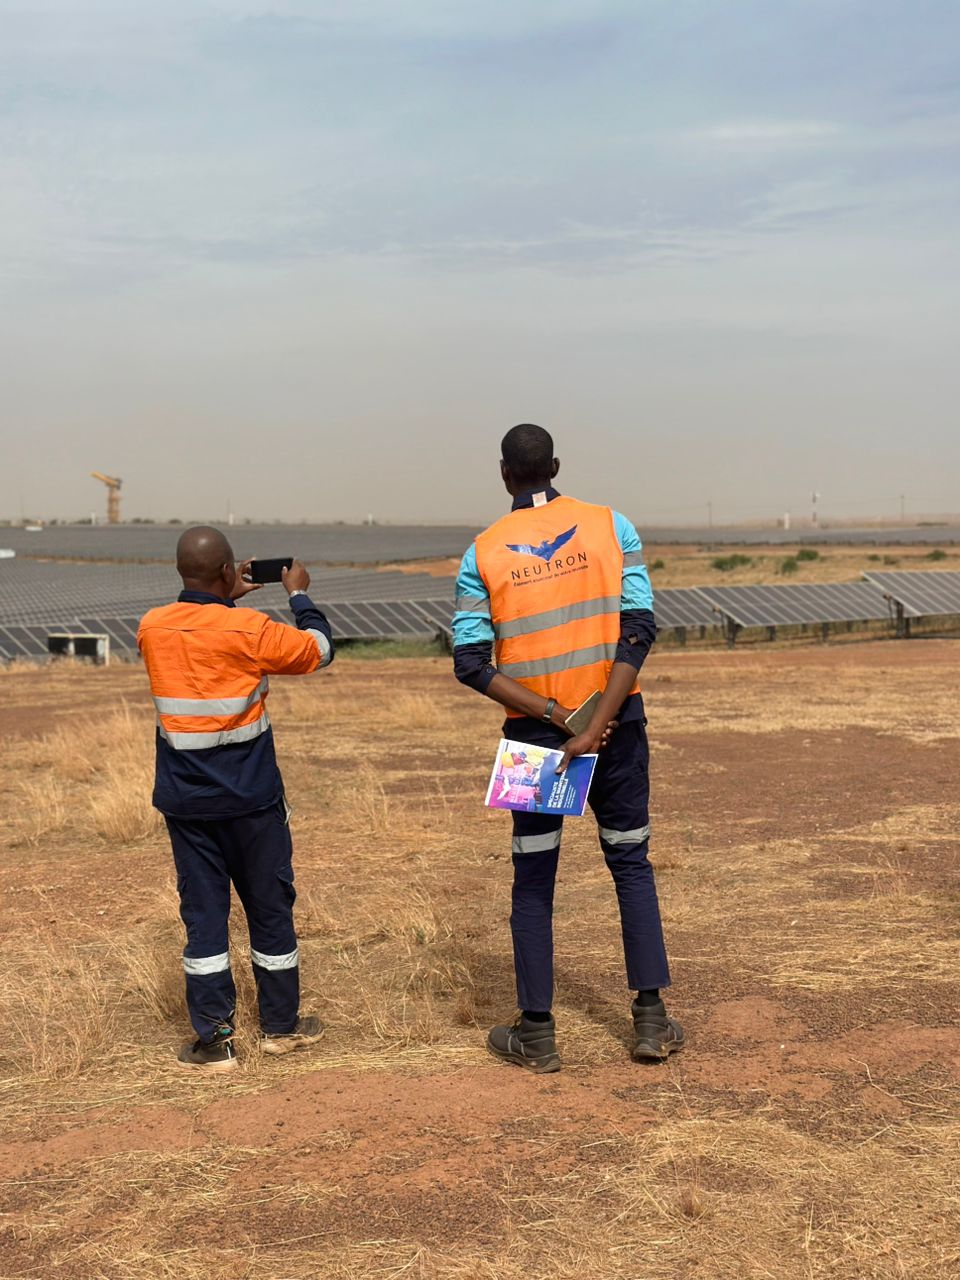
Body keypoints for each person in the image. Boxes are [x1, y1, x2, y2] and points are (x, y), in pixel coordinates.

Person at [453, 424, 682, 1072]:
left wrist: (556, 717)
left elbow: (470, 664)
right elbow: (638, 630)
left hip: (533, 740)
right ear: (555, 466)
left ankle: (537, 1033)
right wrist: (597, 722)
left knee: (533, 881)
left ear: (505, 475)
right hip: (618, 727)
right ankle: (649, 1021)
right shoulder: (613, 526)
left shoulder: (484, 552)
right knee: (631, 864)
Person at [137, 527, 334, 1072]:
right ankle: (280, 1028)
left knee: (204, 919)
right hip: (251, 801)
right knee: (270, 909)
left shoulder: (151, 627)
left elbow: (195, 639)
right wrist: (297, 592)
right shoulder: (251, 627)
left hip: (187, 805)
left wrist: (220, 596)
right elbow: (320, 650)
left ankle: (215, 1040)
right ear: (229, 571)